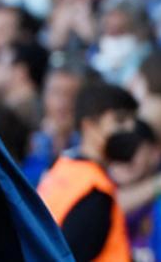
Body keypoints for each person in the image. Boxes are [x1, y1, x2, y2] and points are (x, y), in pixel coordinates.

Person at [37, 81, 137, 262]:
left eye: (133, 121)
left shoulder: (62, 168)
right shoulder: (94, 192)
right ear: (89, 125)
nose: (131, 130)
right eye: (120, 120)